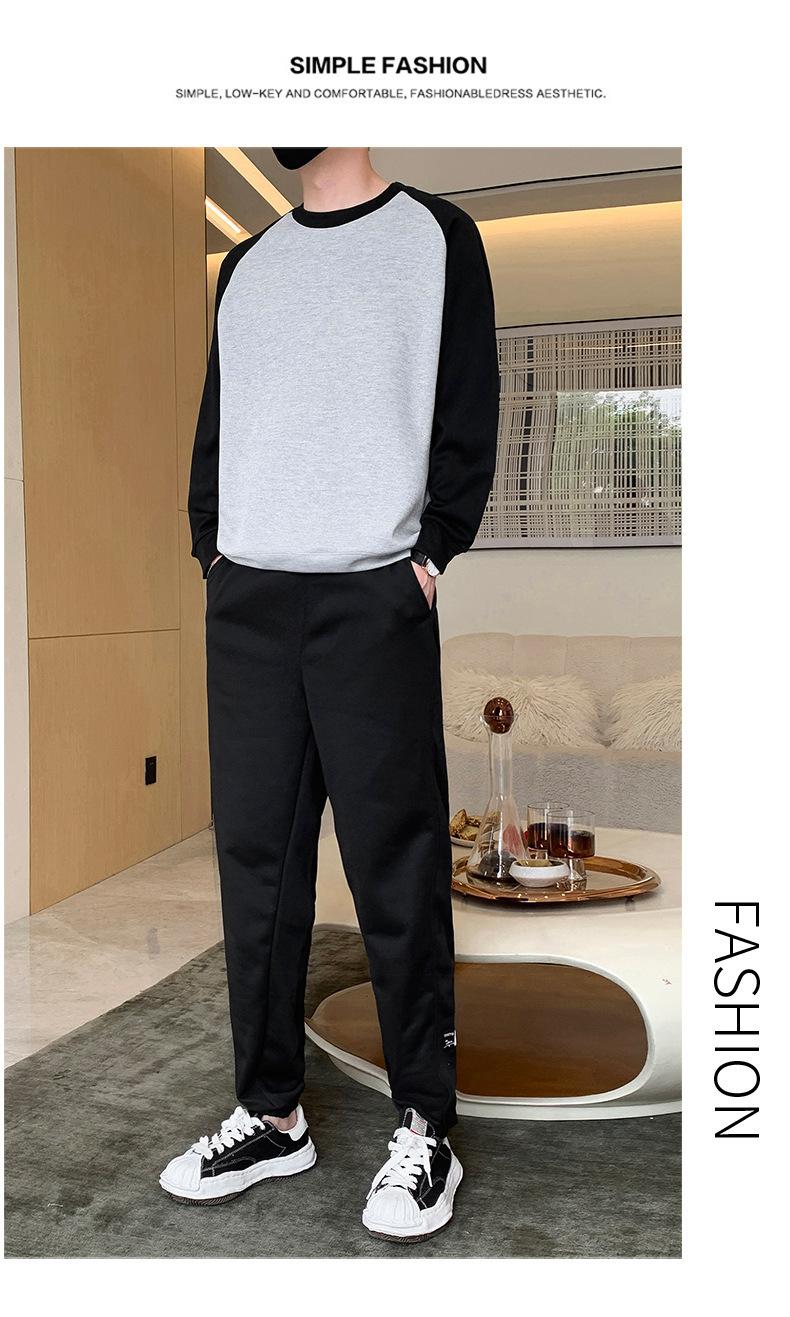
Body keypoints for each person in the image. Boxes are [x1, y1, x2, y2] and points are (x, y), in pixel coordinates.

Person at [159, 147, 499, 1241]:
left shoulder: (437, 238)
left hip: (372, 594)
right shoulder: (245, 264)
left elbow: (467, 407)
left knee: (395, 862)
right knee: (256, 868)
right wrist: (212, 548)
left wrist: (431, 552)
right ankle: (271, 1114)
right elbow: (221, 420)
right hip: (249, 601)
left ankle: (426, 1124)